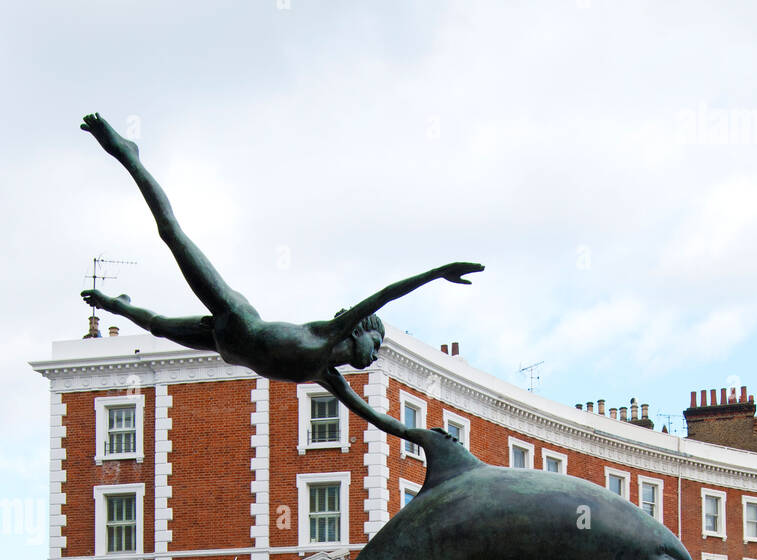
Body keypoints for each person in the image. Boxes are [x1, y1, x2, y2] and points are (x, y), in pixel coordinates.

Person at [80, 113, 482, 382]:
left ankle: (115, 304)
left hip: (224, 344)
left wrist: (424, 441)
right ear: (358, 331)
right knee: (172, 234)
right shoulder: (328, 334)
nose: (375, 355)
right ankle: (129, 156)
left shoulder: (327, 373)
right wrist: (438, 272)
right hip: (234, 316)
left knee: (155, 325)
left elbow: (370, 414)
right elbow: (386, 295)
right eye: (375, 343)